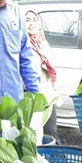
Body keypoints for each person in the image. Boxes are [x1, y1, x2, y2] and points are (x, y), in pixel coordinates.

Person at [25, 10, 59, 142]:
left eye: (34, 20)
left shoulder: (43, 44)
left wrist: (54, 91)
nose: (31, 23)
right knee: (35, 134)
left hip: (48, 96)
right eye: (27, 20)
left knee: (51, 131)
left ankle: (56, 161)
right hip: (32, 97)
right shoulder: (21, 45)